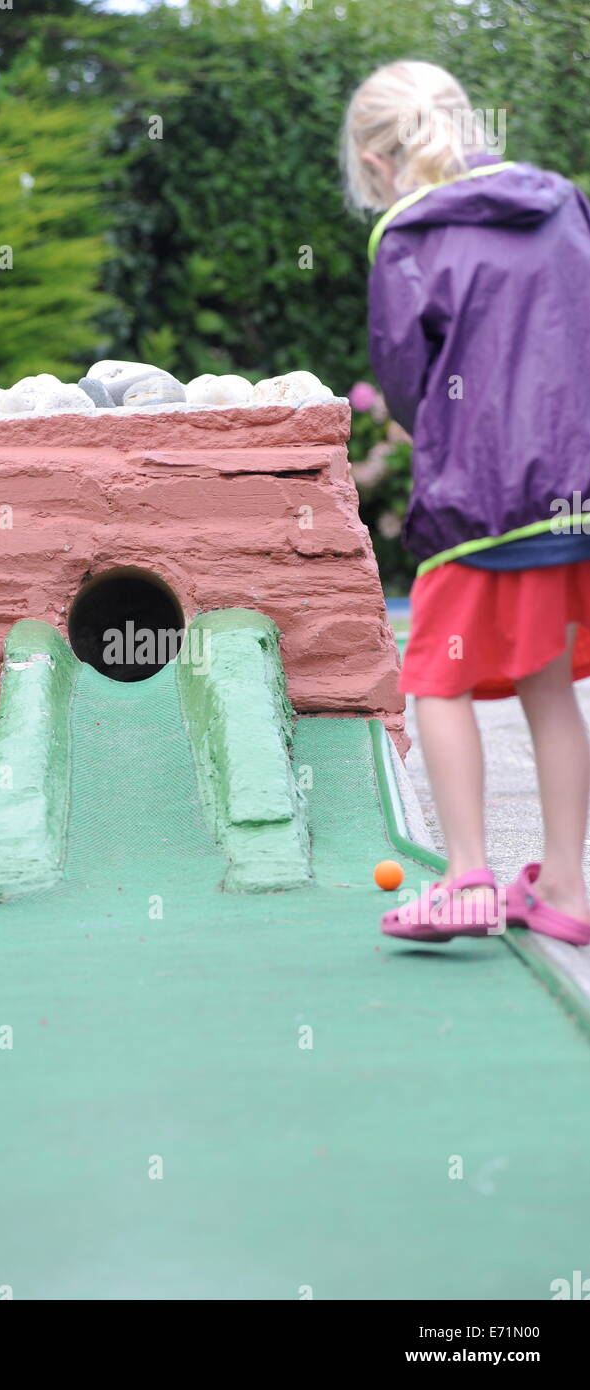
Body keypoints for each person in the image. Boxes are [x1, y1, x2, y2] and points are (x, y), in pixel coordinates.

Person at [342, 60, 590, 945]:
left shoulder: (407, 233)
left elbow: (405, 389)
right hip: (573, 494)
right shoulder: (560, 200)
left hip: (479, 501)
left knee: (435, 682)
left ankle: (467, 879)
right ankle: (563, 887)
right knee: (547, 682)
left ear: (374, 164)